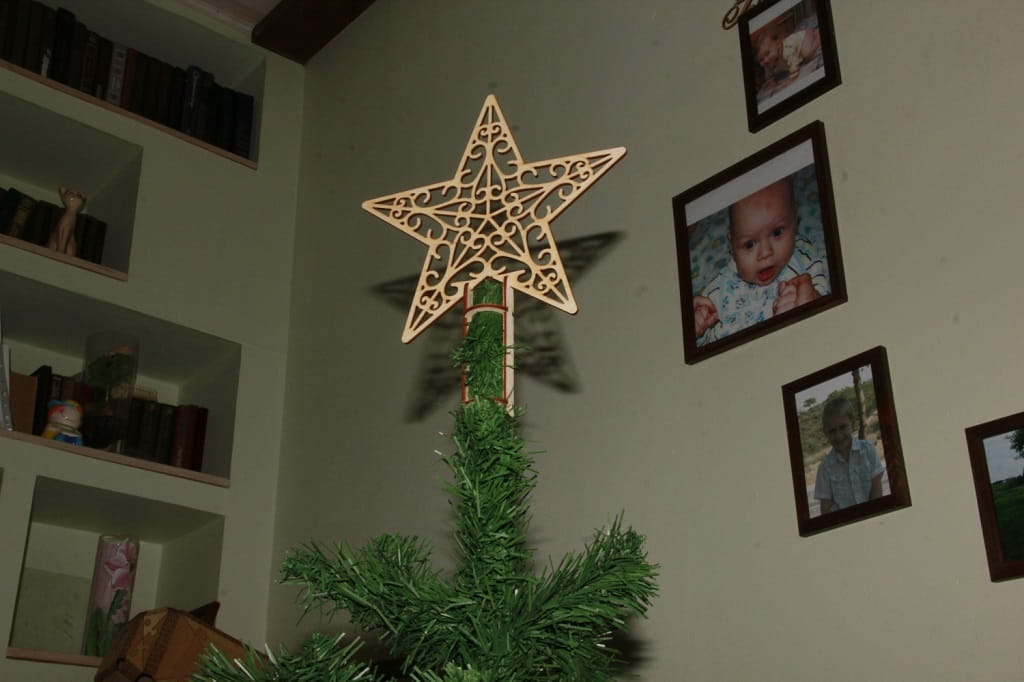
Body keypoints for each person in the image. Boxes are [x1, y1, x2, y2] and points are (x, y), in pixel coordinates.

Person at [692, 177, 827, 345]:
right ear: (732, 245)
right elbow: (699, 344)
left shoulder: (802, 257)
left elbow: (828, 307)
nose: (765, 253)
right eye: (749, 244)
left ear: (795, 219)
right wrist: (696, 325)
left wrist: (812, 298)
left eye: (777, 233)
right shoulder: (716, 291)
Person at [813, 397, 884, 514]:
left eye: (843, 427)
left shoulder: (868, 450)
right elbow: (826, 509)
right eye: (832, 431)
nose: (839, 436)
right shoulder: (825, 469)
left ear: (853, 422)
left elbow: (877, 489)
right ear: (825, 432)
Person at [754, 20, 821, 89]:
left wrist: (791, 79)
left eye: (767, 53)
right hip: (800, 41)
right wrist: (771, 82)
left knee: (807, 54)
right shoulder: (769, 62)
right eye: (761, 60)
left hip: (804, 37)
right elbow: (769, 74)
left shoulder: (787, 51)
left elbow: (794, 65)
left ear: (778, 43)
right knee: (804, 53)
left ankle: (818, 37)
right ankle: (814, 33)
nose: (765, 60)